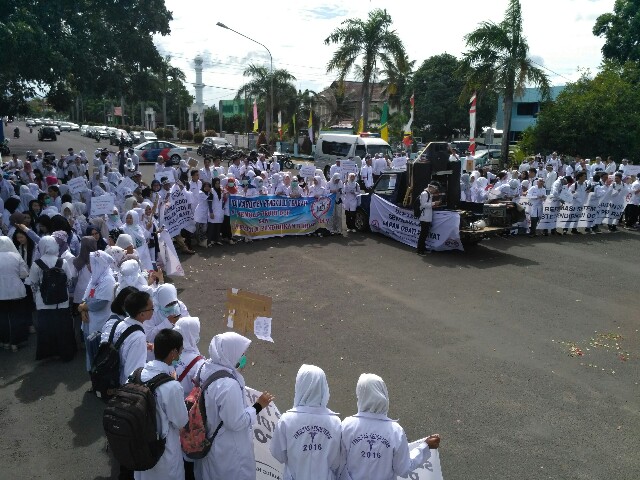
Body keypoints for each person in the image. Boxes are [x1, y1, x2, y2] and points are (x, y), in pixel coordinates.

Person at [194, 332, 275, 480]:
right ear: (230, 353)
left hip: (210, 438)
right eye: (241, 353)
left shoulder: (204, 368)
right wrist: (258, 406)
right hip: (228, 449)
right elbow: (236, 422)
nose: (243, 357)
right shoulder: (227, 385)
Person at [339, 373, 440, 480]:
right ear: (383, 394)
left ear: (360, 395)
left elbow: (338, 463)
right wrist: (425, 446)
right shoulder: (395, 431)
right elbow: (404, 469)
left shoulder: (347, 425)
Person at [132, 328, 189, 480]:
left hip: (139, 444)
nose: (181, 354)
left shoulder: (136, 374)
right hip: (162, 450)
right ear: (173, 353)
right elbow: (181, 421)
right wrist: (175, 382)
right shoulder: (171, 387)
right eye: (180, 351)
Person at [270, 364, 342, 480]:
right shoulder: (335, 422)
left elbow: (278, 454)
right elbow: (337, 461)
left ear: (299, 385)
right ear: (323, 386)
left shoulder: (286, 420)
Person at [27, 236, 76, 361]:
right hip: (62, 302)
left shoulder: (36, 264)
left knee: (46, 329)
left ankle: (48, 353)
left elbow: (33, 283)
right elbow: (69, 280)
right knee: (63, 329)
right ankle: (65, 353)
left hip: (44, 302)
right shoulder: (62, 262)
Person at [77, 250, 116, 371]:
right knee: (91, 352)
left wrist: (83, 307)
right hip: (89, 319)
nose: (89, 266)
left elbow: (101, 302)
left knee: (99, 354)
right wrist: (83, 310)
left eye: (91, 263)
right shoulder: (96, 277)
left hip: (100, 323)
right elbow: (86, 297)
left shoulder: (108, 279)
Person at [0, 236, 30, 352]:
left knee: (2, 317)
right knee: (16, 316)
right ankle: (15, 343)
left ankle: (4, 341)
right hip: (16, 291)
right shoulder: (16, 256)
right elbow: (24, 273)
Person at [416, 182, 442, 256]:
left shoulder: (428, 194)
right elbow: (423, 205)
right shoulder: (424, 193)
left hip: (427, 216)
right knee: (423, 234)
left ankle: (423, 248)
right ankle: (419, 250)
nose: (435, 191)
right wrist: (434, 203)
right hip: (424, 217)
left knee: (425, 234)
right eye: (435, 189)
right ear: (431, 187)